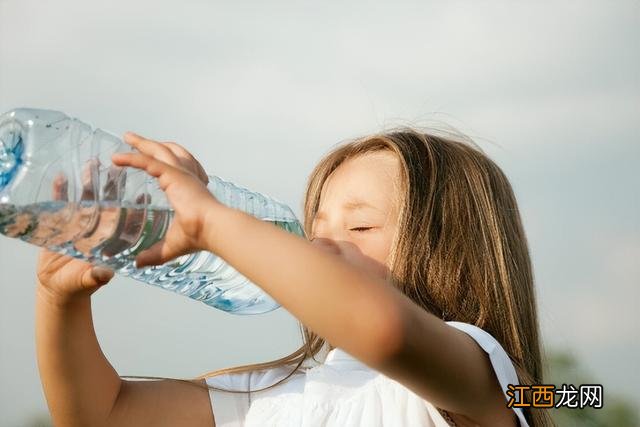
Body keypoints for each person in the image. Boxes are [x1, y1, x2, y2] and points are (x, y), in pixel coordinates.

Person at [35, 129, 554, 426]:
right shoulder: (277, 396)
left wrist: (210, 220)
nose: (322, 245)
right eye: (316, 228)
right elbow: (104, 416)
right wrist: (59, 300)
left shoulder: (478, 376)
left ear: (453, 249)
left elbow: (386, 333)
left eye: (361, 226)